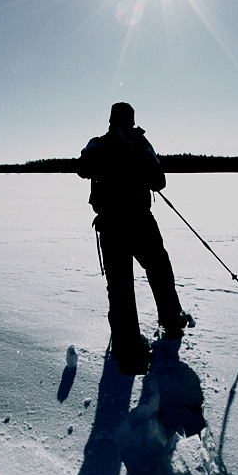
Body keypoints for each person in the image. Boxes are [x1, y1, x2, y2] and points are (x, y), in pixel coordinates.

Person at [77, 102, 188, 375]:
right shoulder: (113, 144)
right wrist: (125, 152)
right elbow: (83, 167)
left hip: (123, 224)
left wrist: (128, 153)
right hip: (132, 222)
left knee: (126, 284)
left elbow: (157, 181)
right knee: (152, 272)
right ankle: (166, 325)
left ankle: (146, 338)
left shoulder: (121, 144)